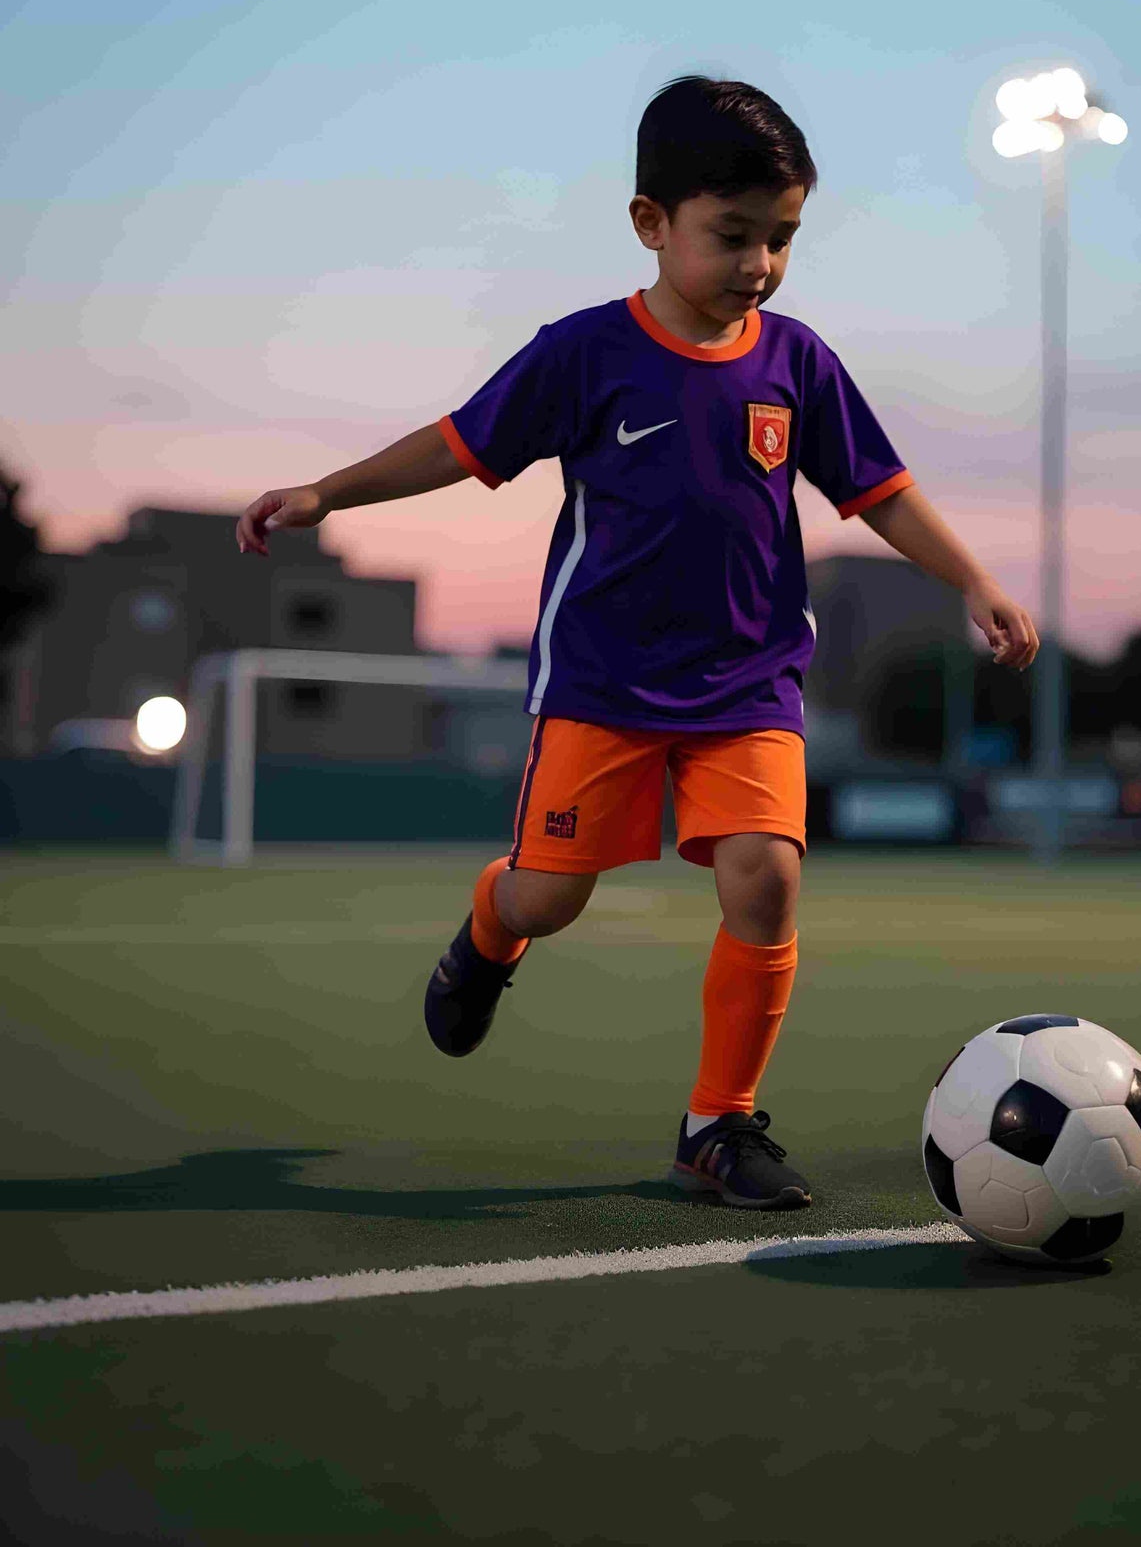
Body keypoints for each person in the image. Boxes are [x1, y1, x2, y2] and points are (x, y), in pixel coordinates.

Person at [237, 75, 1038, 1210]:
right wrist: (325, 492)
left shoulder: (796, 363)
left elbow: (880, 492)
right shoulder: (582, 354)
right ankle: (487, 926)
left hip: (751, 681)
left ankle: (716, 1125)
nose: (757, 262)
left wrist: (974, 580)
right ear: (650, 224)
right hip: (602, 683)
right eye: (731, 234)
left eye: (781, 238)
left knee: (765, 880)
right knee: (549, 899)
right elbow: (459, 444)